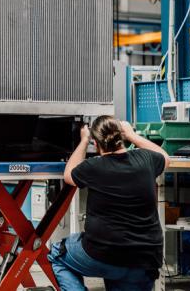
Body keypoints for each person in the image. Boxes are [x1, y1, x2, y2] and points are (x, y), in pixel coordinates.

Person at [48, 115, 170, 291]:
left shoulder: (93, 167)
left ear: (96, 143)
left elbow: (69, 175)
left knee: (57, 254)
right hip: (145, 261)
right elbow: (165, 157)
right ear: (121, 136)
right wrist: (132, 135)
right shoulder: (146, 159)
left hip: (104, 255)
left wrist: (83, 141)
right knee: (122, 274)